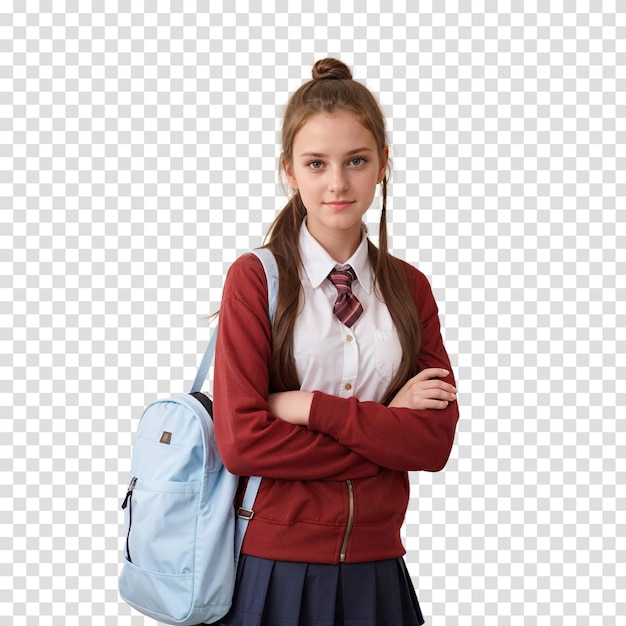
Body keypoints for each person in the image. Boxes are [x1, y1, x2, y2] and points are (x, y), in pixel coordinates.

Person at [211, 58, 459, 626]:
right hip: (275, 570)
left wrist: (306, 408)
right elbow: (243, 444)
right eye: (316, 164)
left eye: (356, 161)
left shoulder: (410, 288)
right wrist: (383, 427)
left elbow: (433, 444)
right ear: (289, 172)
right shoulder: (255, 280)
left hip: (379, 569)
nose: (338, 183)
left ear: (383, 166)